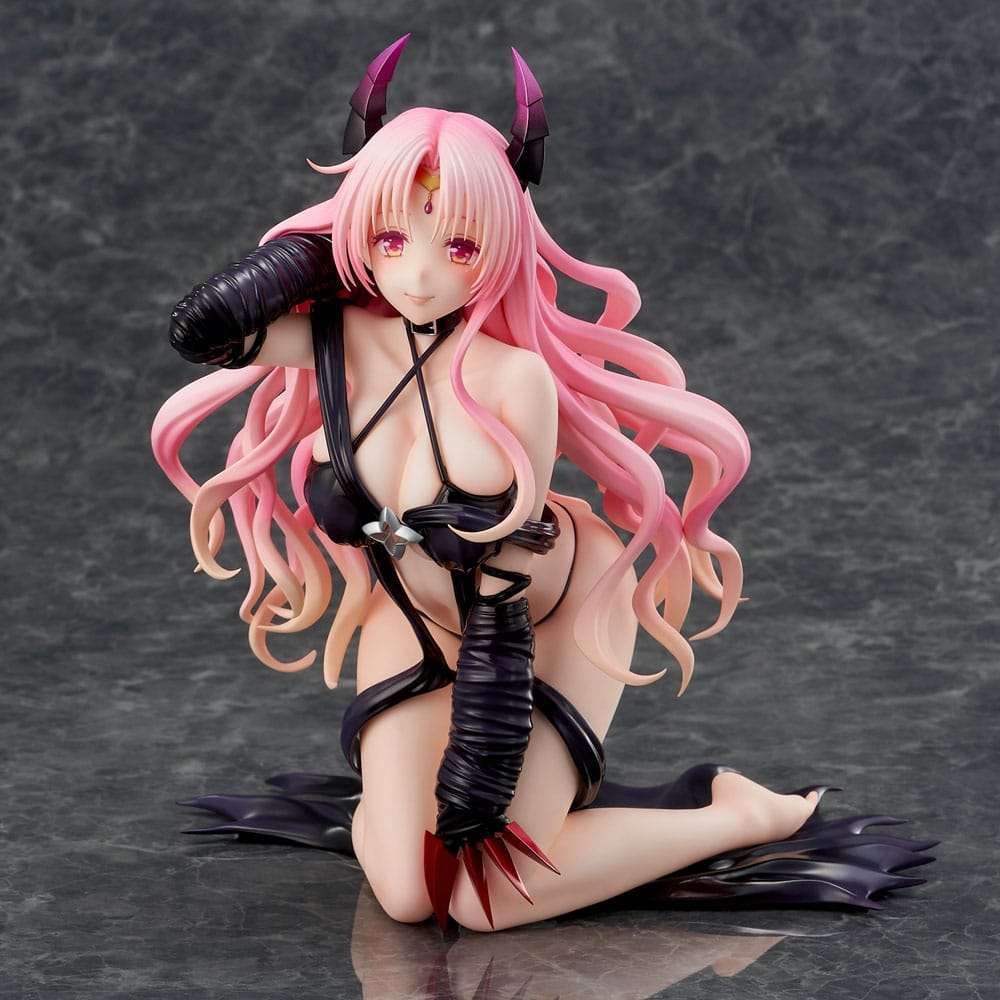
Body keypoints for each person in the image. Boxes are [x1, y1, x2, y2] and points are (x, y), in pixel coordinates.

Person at [152, 35, 936, 933]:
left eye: (459, 244)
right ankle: (416, 813)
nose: (419, 275)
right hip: (410, 618)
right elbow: (202, 329)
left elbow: (503, 586)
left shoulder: (511, 380)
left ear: (500, 245)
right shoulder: (334, 342)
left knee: (488, 900)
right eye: (395, 240)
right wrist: (339, 241)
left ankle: (735, 814)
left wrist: (480, 770)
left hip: (550, 617)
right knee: (407, 898)